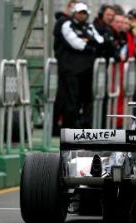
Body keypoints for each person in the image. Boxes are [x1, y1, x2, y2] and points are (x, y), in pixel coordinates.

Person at [58, 2, 104, 129]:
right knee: (72, 100)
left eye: (84, 13)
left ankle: (85, 126)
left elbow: (100, 41)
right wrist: (89, 44)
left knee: (88, 100)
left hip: (87, 69)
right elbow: (76, 43)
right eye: (80, 12)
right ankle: (69, 127)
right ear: (74, 13)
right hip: (71, 69)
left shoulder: (89, 27)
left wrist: (89, 42)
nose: (82, 15)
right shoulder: (67, 24)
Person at [52, 0, 77, 135]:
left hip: (69, 65)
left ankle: (61, 126)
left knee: (65, 98)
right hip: (65, 65)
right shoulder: (64, 22)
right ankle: (56, 126)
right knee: (62, 98)